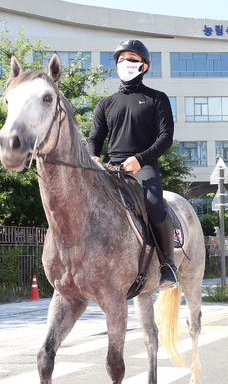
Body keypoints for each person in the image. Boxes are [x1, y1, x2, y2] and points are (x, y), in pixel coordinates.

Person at [87, 39, 178, 291]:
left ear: (144, 65)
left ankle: (167, 265)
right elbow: (94, 139)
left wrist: (140, 159)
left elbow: (166, 138)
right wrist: (93, 157)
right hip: (110, 167)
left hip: (143, 166)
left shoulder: (157, 99)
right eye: (121, 58)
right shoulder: (105, 104)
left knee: (153, 203)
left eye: (132, 58)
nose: (126, 62)